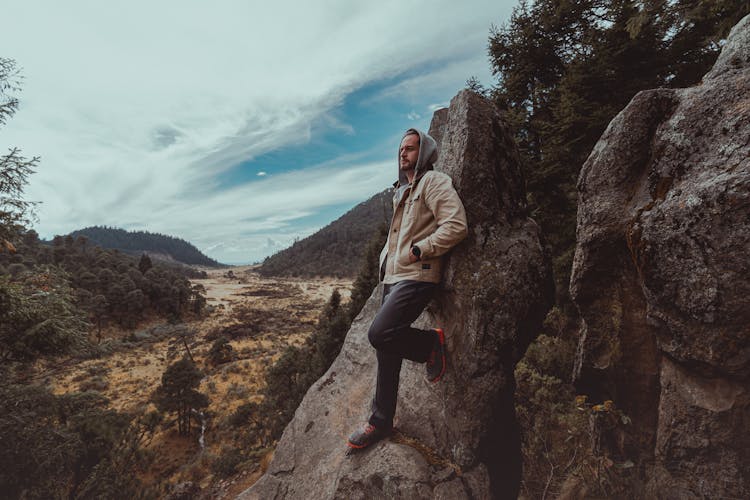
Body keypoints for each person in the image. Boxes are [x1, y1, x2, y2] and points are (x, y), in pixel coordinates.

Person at [347, 127, 468, 449]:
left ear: (424, 152)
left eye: (411, 148)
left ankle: (429, 344)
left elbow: (456, 225)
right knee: (386, 351)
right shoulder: (403, 190)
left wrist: (421, 249)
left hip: (419, 275)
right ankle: (380, 422)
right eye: (401, 149)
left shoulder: (433, 182)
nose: (403, 153)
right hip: (394, 277)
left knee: (379, 333)